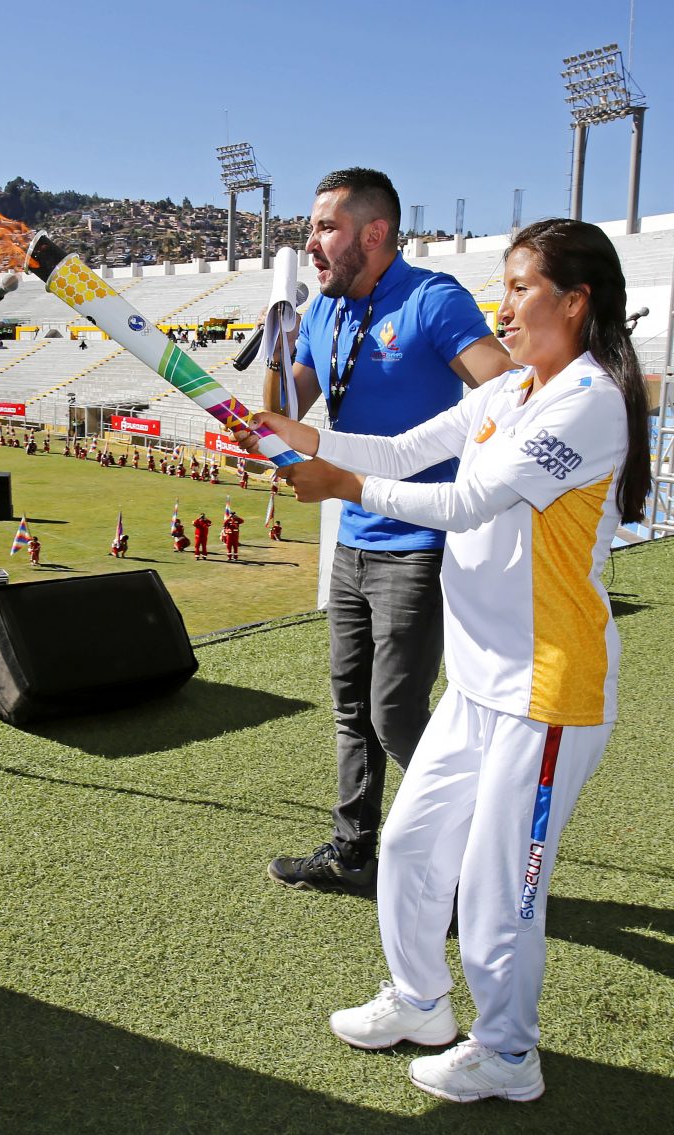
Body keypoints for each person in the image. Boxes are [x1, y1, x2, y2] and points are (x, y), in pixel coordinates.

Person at [236, 218, 651, 1105]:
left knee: (502, 892)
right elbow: (403, 451)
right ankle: (421, 1002)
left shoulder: (587, 401)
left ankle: (508, 1052)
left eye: (521, 288)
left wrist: (342, 487)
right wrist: (305, 440)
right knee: (412, 843)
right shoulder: (510, 392)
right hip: (476, 677)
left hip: (549, 686)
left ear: (575, 301)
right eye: (502, 286)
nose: (502, 307)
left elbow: (465, 501)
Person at [261, 168, 512, 895]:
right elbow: (285, 417)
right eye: (311, 228)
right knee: (350, 705)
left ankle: (472, 868)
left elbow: (505, 390)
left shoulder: (434, 301)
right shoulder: (324, 312)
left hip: (421, 543)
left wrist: (478, 492)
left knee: (395, 710)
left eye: (326, 228)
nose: (311, 243)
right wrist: (277, 343)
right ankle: (353, 848)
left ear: (373, 234)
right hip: (354, 538)